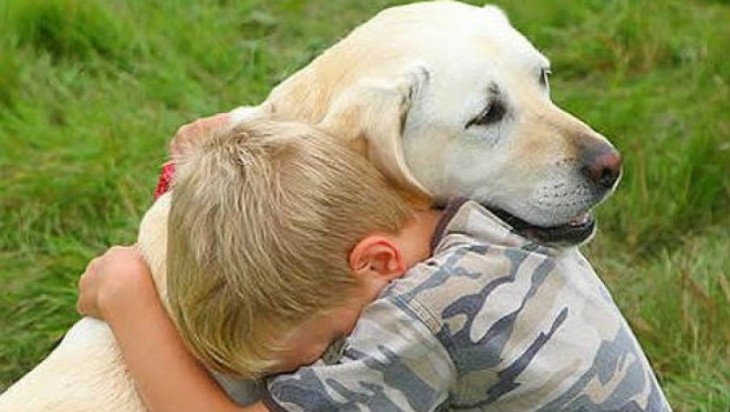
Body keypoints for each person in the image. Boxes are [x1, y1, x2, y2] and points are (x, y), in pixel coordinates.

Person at [78, 118, 670, 411]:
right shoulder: (473, 215)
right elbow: (315, 179)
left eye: (333, 342)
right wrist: (231, 151)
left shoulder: (420, 319)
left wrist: (127, 294)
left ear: (377, 261)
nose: (330, 365)